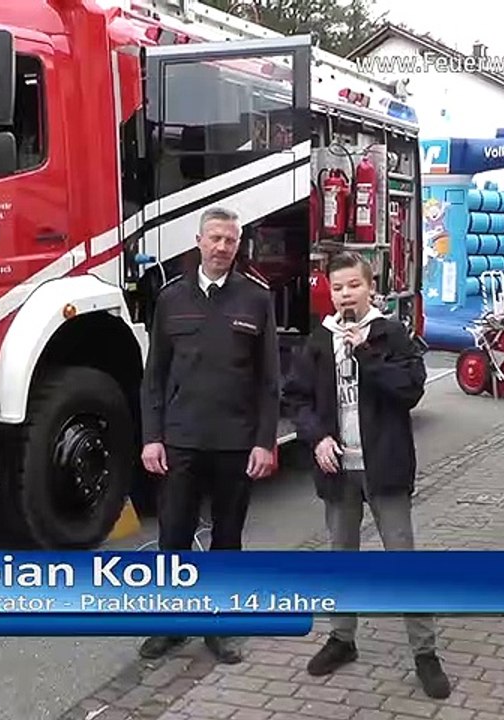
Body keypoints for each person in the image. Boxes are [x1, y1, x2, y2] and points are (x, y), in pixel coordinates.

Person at [280, 252, 452, 700]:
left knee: (403, 560)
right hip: (339, 471)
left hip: (385, 468)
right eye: (337, 288)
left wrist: (365, 351)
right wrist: (316, 438)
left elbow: (410, 390)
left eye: (353, 286)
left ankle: (425, 653)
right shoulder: (320, 339)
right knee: (342, 557)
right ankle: (342, 638)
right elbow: (297, 399)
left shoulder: (390, 334)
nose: (345, 296)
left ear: (369, 287)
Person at [138, 206, 281, 665]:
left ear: (239, 246)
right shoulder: (171, 298)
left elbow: (268, 380)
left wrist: (265, 440)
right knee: (173, 537)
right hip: (180, 441)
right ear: (198, 241)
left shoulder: (256, 299)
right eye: (215, 238)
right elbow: (155, 375)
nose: (222, 247)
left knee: (227, 539)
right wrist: (152, 436)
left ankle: (219, 628)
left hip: (235, 444)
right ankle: (170, 626)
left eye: (231, 241)